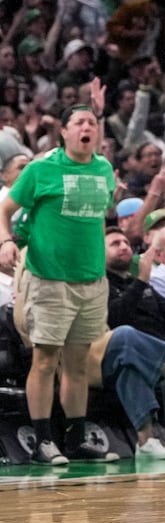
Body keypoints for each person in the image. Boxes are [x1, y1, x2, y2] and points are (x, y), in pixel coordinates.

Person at [0, 100, 118, 464]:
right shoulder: (41, 170)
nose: (87, 127)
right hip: (49, 279)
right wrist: (5, 242)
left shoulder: (104, 170)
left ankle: (76, 439)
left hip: (91, 280)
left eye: (92, 122)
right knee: (45, 359)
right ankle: (42, 441)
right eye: (79, 122)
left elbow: (98, 219)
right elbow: (5, 210)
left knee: (78, 364)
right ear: (64, 131)